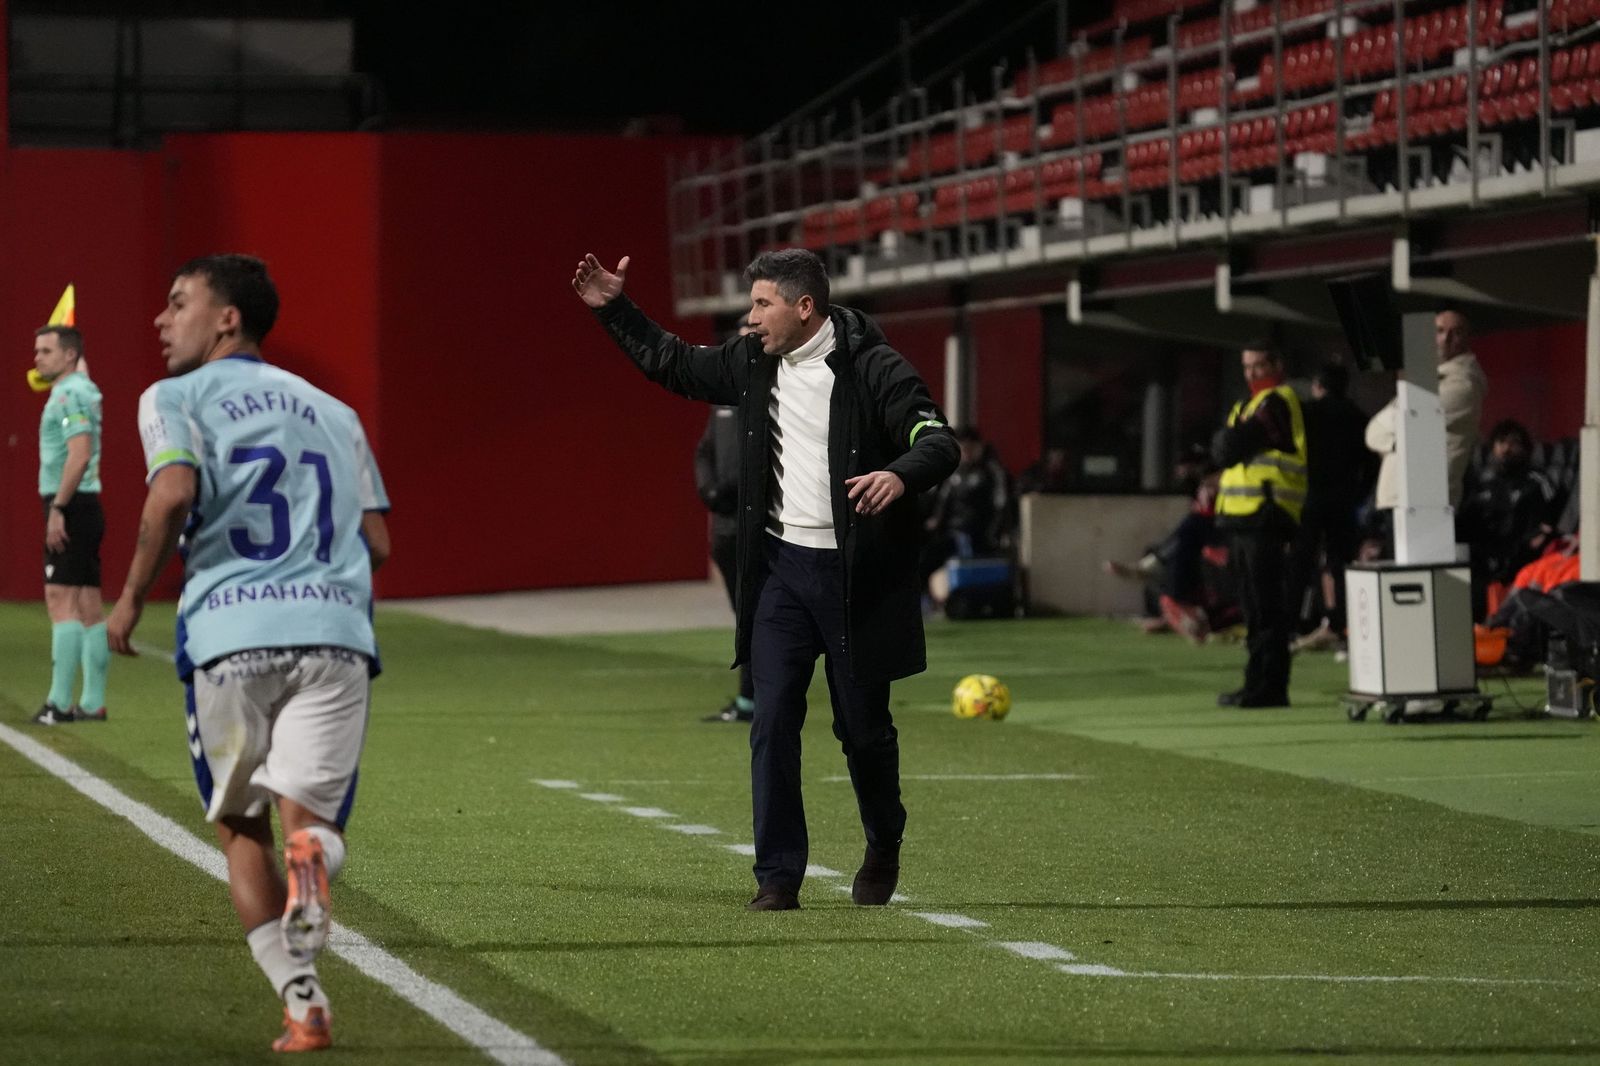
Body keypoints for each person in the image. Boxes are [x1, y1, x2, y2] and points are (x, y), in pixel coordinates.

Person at [573, 247, 958, 911]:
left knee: (862, 731)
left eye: (761, 304)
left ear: (804, 307)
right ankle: (777, 877)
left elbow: (937, 438)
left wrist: (900, 473)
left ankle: (884, 839)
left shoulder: (874, 366)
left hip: (854, 581)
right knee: (771, 718)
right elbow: (672, 362)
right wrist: (614, 309)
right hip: (781, 571)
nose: (749, 318)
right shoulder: (751, 362)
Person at [105, 254, 391, 1053]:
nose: (161, 321)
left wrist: (128, 596)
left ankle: (303, 1003)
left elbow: (171, 493)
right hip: (333, 634)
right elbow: (377, 540)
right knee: (310, 824)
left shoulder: (172, 397)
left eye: (177, 303)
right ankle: (316, 859)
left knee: (241, 826)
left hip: (228, 637)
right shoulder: (336, 412)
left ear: (227, 318)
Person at [1211, 345, 1306, 708]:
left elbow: (1227, 448)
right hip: (1245, 515)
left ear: (1277, 365)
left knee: (1266, 607)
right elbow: (1225, 447)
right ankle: (1256, 682)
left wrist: (1225, 442)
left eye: (1259, 365)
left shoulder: (1277, 402)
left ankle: (1270, 685)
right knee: (1254, 607)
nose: (1251, 373)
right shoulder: (1249, 406)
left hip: (1267, 514)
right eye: (1247, 366)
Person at [31, 324, 110, 725]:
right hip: (85, 502)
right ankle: (93, 702)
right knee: (88, 606)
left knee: (60, 602)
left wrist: (58, 509)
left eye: (45, 351)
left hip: (71, 504)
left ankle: (59, 704)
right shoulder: (82, 389)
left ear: (68, 355)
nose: (37, 359)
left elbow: (79, 455)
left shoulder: (68, 394)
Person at [1364, 309, 1488, 541]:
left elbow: (1413, 425)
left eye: (1456, 332)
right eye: (1439, 331)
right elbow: (1373, 431)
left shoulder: (1464, 384)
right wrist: (1398, 439)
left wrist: (1396, 434)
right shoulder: (1425, 381)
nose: (1446, 338)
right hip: (1397, 497)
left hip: (1430, 501)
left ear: (1467, 339)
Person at [1288, 362, 1373, 653]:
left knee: (1299, 564)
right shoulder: (1359, 418)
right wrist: (1358, 494)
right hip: (1343, 501)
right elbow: (1371, 464)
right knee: (1340, 565)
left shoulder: (1307, 414)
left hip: (1309, 499)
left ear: (1318, 386)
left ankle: (1290, 625)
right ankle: (1341, 625)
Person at [697, 322, 755, 723]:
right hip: (724, 526)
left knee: (759, 618)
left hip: (758, 526)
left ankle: (757, 701)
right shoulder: (723, 399)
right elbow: (704, 451)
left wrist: (735, 489)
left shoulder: (775, 393)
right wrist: (710, 491)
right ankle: (752, 700)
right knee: (745, 618)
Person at [1458, 419, 1557, 619]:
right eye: (1501, 442)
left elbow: (1548, 525)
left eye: (1513, 443)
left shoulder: (1536, 482)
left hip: (1522, 560)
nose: (1506, 448)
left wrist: (1527, 547)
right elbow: (1464, 525)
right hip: (1482, 562)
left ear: (1524, 448)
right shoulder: (1482, 483)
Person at [919, 427, 1012, 603]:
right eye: (963, 448)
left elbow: (1001, 504)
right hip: (951, 534)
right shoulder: (952, 473)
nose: (967, 452)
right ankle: (924, 601)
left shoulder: (991, 472)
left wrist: (996, 531)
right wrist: (934, 523)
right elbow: (941, 503)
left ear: (980, 447)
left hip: (978, 534)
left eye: (971, 447)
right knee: (923, 558)